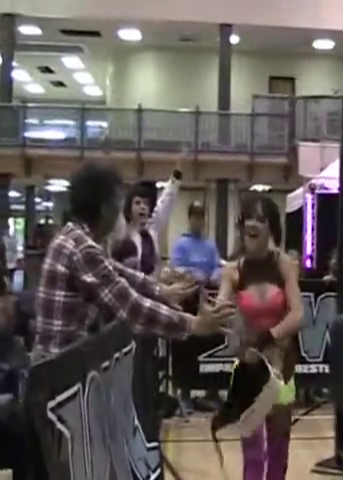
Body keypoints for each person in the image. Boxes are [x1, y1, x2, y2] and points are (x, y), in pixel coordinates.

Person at [32, 161, 235, 358]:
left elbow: (120, 272)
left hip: (62, 360)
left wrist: (160, 291)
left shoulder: (73, 237)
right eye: (119, 203)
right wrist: (194, 324)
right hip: (59, 367)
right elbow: (131, 306)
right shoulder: (82, 248)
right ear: (105, 208)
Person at [215, 195, 303, 480]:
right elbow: (220, 311)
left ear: (271, 228)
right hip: (248, 368)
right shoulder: (233, 270)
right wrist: (217, 314)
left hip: (280, 367)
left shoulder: (284, 264)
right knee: (252, 455)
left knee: (278, 452)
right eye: (248, 219)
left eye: (260, 219)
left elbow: (297, 314)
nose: (252, 224)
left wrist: (268, 337)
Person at [170, 201, 223, 411]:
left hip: (207, 300)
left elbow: (217, 266)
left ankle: (212, 390)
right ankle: (185, 391)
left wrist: (215, 275)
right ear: (190, 218)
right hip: (187, 300)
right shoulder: (181, 244)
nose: (199, 220)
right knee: (186, 346)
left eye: (202, 216)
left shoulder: (210, 245)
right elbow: (176, 268)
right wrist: (193, 275)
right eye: (195, 216)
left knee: (212, 344)